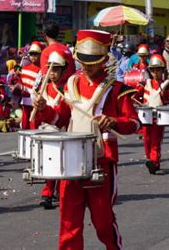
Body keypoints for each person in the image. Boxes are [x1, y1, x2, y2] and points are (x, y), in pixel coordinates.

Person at [35, 30, 140, 249]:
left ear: (104, 60)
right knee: (69, 223)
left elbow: (134, 124)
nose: (86, 67)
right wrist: (44, 110)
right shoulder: (70, 85)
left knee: (102, 222)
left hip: (101, 160)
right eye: (82, 62)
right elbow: (59, 118)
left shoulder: (117, 89)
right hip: (72, 161)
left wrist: (113, 121)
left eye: (92, 62)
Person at [33, 49, 72, 209]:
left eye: (56, 69)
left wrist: (44, 110)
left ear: (63, 70)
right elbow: (37, 117)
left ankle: (55, 192)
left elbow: (60, 118)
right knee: (49, 164)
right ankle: (48, 192)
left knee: (62, 166)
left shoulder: (68, 89)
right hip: (46, 131)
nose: (53, 73)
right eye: (50, 69)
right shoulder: (43, 88)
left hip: (63, 130)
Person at [135, 54, 169, 174]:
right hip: (146, 116)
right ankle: (151, 160)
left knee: (155, 141)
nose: (155, 72)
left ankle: (154, 161)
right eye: (152, 70)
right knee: (146, 140)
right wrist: (132, 98)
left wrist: (164, 93)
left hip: (159, 117)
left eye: (157, 69)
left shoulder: (167, 84)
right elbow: (135, 95)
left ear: (162, 70)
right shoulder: (145, 83)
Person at [40, 21, 75, 85]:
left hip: (54, 91)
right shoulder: (67, 50)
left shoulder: (46, 52)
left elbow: (46, 77)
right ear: (58, 33)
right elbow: (73, 71)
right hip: (69, 89)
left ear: (44, 35)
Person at [20, 41, 43, 129]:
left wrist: (21, 87)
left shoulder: (42, 70)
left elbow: (37, 88)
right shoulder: (24, 68)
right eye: (31, 54)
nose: (33, 56)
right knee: (25, 125)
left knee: (34, 125)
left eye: (36, 54)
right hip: (24, 101)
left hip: (35, 102)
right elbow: (20, 82)